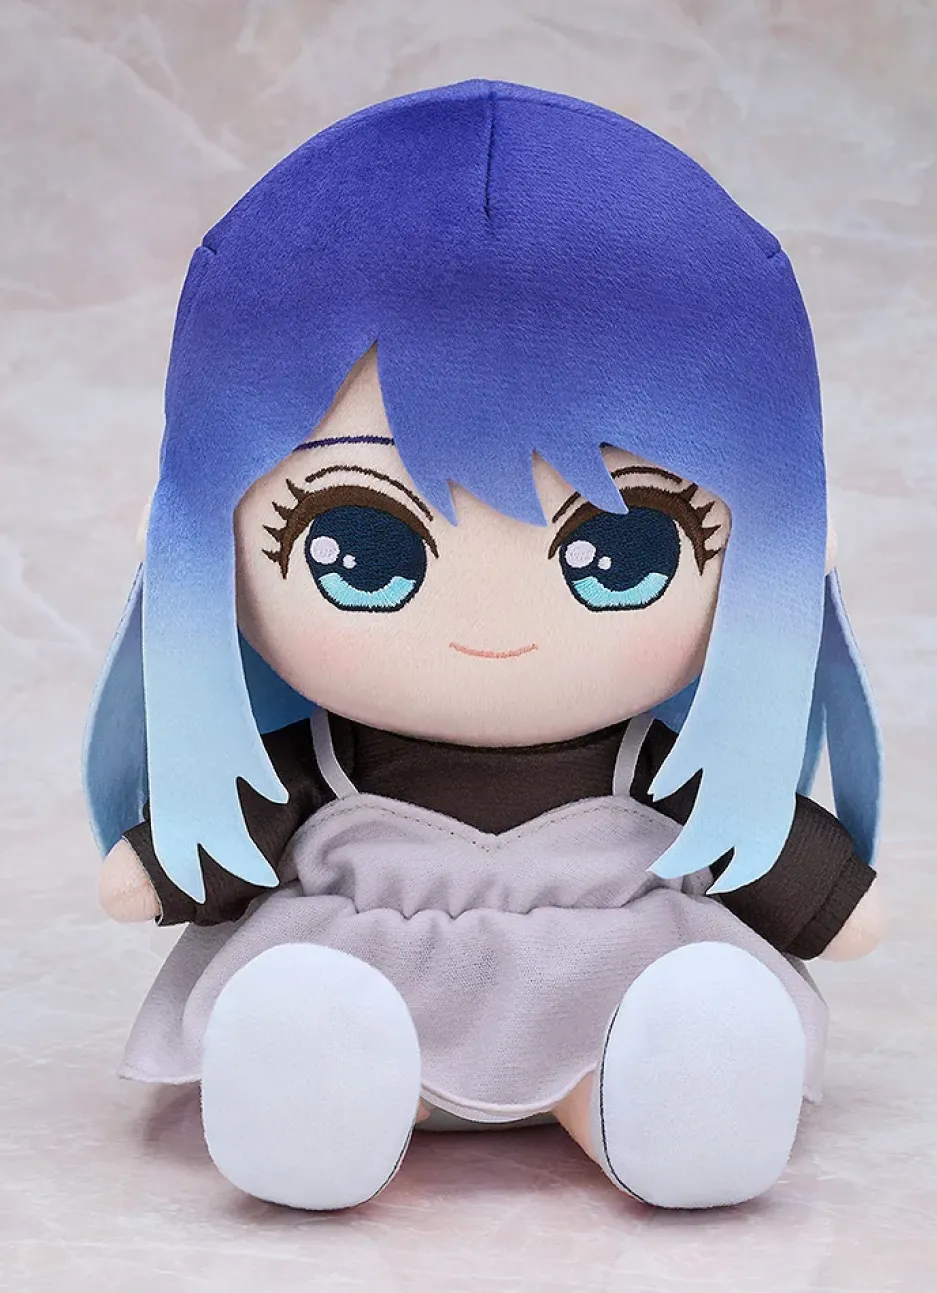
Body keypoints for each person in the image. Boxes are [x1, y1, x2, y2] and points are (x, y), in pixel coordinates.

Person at [86, 81, 884, 1213]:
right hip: (362, 978)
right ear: (185, 539)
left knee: (677, 1019)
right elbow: (216, 843)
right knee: (321, 1014)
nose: (495, 627)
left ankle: (666, 1092)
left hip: (614, 979)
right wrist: (162, 864)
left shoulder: (668, 773)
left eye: (623, 551)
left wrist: (829, 896)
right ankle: (325, 1090)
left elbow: (798, 879)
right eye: (360, 549)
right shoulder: (319, 770)